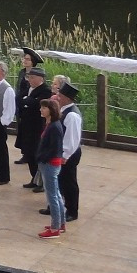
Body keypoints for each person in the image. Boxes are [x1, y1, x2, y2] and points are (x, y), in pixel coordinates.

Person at [42, 80, 82, 224]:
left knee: (68, 182)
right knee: (57, 181)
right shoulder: (64, 111)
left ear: (67, 98)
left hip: (68, 154)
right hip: (61, 153)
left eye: (60, 95)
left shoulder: (71, 115)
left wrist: (65, 155)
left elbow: (72, 138)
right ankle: (54, 207)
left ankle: (72, 211)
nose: (57, 97)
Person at [17, 65, 51, 191]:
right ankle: (34, 178)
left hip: (37, 127)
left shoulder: (45, 91)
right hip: (26, 125)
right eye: (28, 77)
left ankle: (41, 182)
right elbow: (19, 100)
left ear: (40, 79)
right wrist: (28, 101)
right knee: (29, 153)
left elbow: (37, 104)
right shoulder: (27, 88)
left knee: (37, 154)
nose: (29, 80)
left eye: (32, 77)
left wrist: (28, 101)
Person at [36, 98, 66, 238]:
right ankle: (61, 223)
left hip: (50, 164)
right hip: (51, 163)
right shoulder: (51, 124)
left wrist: (41, 157)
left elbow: (53, 149)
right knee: (56, 193)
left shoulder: (54, 127)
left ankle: (55, 228)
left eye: (44, 108)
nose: (41, 110)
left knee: (52, 195)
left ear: (51, 110)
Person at [13, 47, 40, 163]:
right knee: (22, 129)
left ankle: (30, 154)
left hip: (30, 106)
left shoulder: (37, 73)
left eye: (28, 59)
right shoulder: (22, 72)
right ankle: (24, 153)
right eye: (24, 58)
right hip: (20, 104)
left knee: (30, 131)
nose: (25, 61)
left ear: (33, 62)